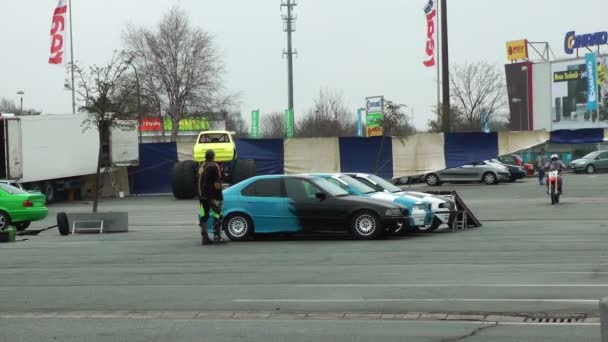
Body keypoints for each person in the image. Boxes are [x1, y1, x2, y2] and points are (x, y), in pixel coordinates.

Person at [197, 149, 225, 245]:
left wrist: (201, 195)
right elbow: (217, 183)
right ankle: (217, 236)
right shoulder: (214, 166)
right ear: (213, 156)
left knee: (203, 216)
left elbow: (199, 182)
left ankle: (205, 238)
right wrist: (220, 194)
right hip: (212, 196)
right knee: (218, 213)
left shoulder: (202, 166)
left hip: (202, 196)